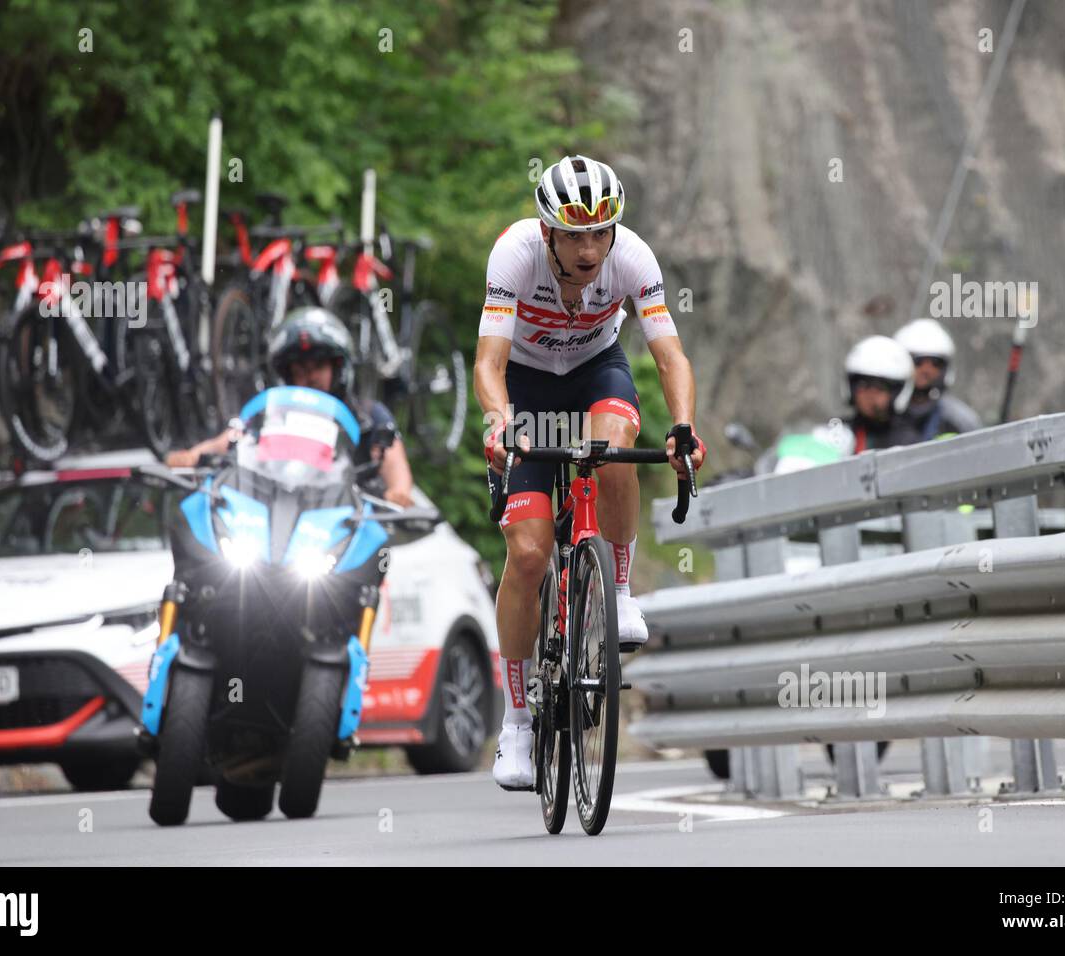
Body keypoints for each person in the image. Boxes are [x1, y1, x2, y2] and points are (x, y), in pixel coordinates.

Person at [474, 154, 706, 790]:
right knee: (526, 553)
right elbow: (489, 362)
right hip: (525, 384)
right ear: (547, 231)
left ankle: (620, 590)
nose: (589, 248)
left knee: (616, 444)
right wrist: (499, 423)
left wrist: (683, 426)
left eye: (600, 233)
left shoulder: (633, 257)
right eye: (575, 234)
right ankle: (517, 722)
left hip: (595, 371)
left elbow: (669, 355)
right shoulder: (514, 255)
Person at [166, 307, 415, 507]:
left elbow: (394, 461)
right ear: (286, 376)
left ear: (338, 369)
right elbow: (229, 439)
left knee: (375, 563)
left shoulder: (368, 416)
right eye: (299, 370)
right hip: (271, 518)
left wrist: (399, 492)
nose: (310, 377)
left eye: (318, 366)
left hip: (346, 522)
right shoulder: (267, 415)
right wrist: (192, 456)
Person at [893, 318, 981, 440]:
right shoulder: (880, 416)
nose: (926, 370)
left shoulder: (959, 420)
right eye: (918, 361)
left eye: (936, 363)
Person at [843, 334, 917, 451]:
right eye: (863, 385)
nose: (870, 395)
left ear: (897, 393)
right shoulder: (838, 433)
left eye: (880, 387)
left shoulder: (908, 443)